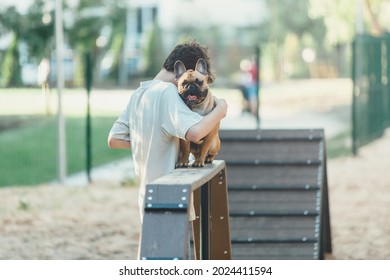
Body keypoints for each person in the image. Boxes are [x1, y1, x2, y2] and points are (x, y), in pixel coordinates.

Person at [107, 40, 228, 252]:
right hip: (171, 197)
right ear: (184, 71)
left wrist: (155, 139)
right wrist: (221, 109)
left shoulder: (139, 94)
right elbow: (197, 133)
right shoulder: (169, 93)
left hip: (147, 194)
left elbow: (114, 140)